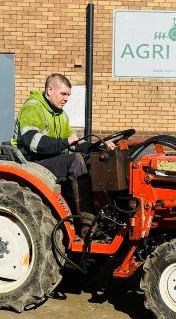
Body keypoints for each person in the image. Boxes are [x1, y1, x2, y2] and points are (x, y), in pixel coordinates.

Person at [11, 73, 114, 226]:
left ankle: (106, 213)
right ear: (50, 90)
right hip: (30, 162)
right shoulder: (33, 108)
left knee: (89, 159)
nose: (67, 99)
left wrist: (100, 145)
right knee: (75, 160)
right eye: (63, 94)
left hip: (47, 160)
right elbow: (31, 141)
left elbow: (75, 143)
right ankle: (88, 224)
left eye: (69, 95)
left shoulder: (61, 115)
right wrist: (64, 142)